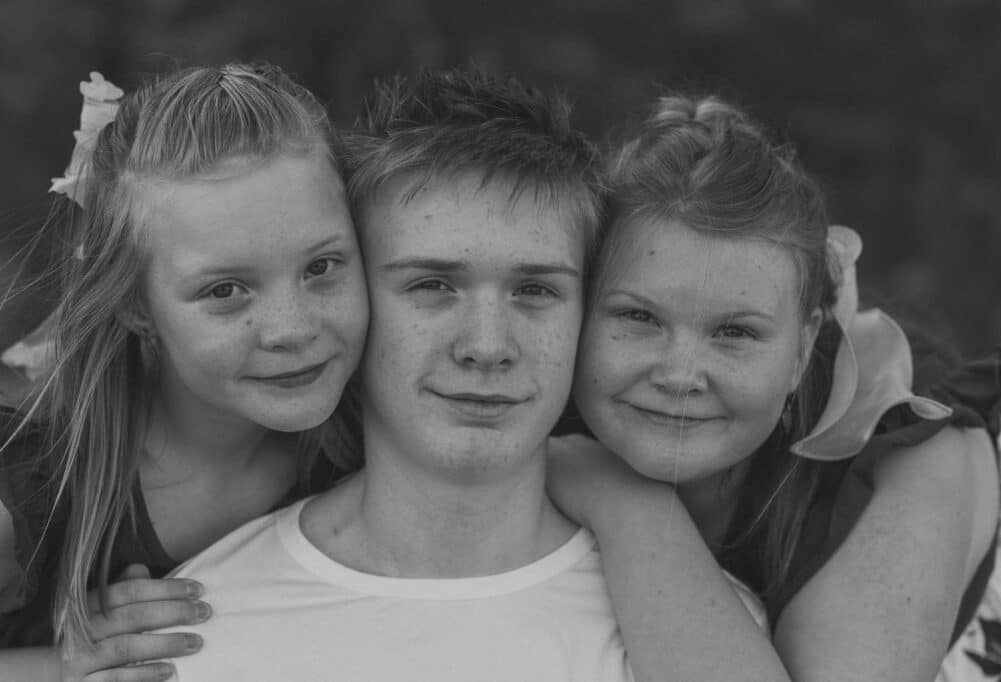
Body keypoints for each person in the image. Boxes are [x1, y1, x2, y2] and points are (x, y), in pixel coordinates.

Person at [153, 68, 788, 682]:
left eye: (535, 289)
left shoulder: (702, 632)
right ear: (353, 298)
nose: (487, 346)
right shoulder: (188, 628)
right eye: (432, 285)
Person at [564, 92, 1001, 681]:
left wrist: (621, 499)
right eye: (638, 318)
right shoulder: (532, 401)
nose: (678, 375)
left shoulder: (907, 451)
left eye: (733, 332)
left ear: (803, 349)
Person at [0, 63, 370, 681]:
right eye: (226, 290)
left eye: (322, 266)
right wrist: (59, 669)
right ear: (136, 307)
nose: (293, 328)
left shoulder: (370, 427)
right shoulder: (38, 480)